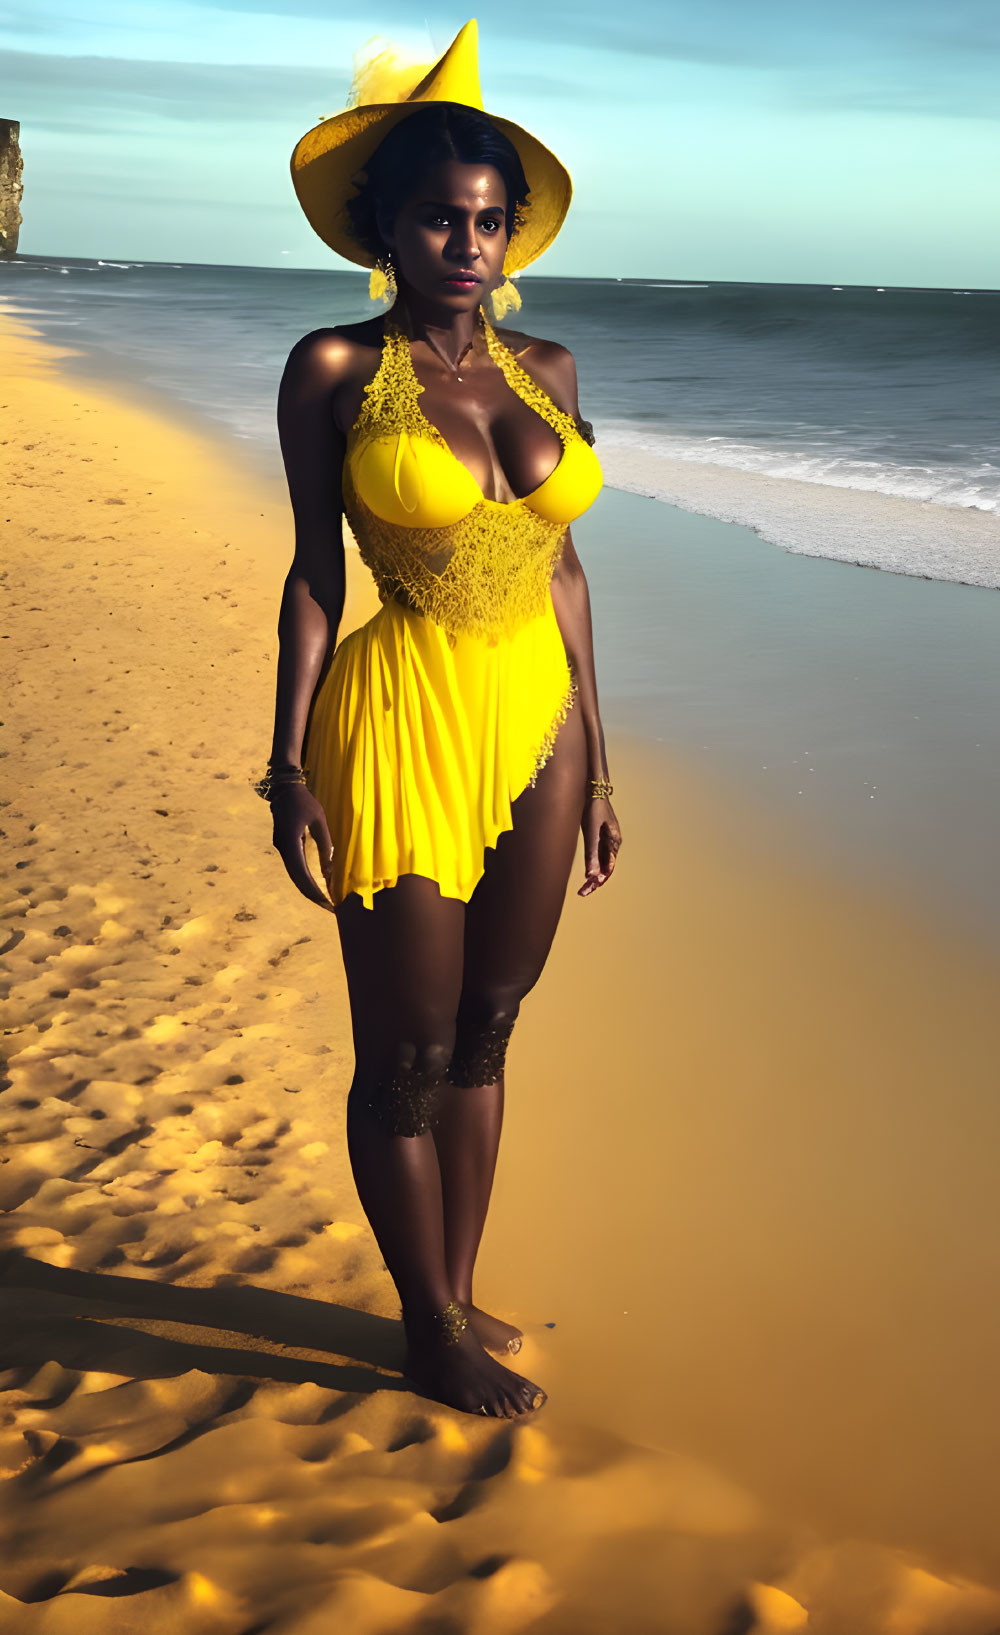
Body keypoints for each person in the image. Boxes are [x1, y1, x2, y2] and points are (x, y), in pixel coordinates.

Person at [257, 19, 621, 1419]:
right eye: (437, 219)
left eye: (487, 220)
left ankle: (454, 1288)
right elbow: (309, 573)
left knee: (489, 1024)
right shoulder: (335, 371)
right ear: (387, 231)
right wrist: (284, 766)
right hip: (401, 710)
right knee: (401, 1052)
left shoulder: (554, 368)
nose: (467, 244)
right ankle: (422, 1330)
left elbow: (569, 568)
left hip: (539, 718)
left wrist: (601, 763)